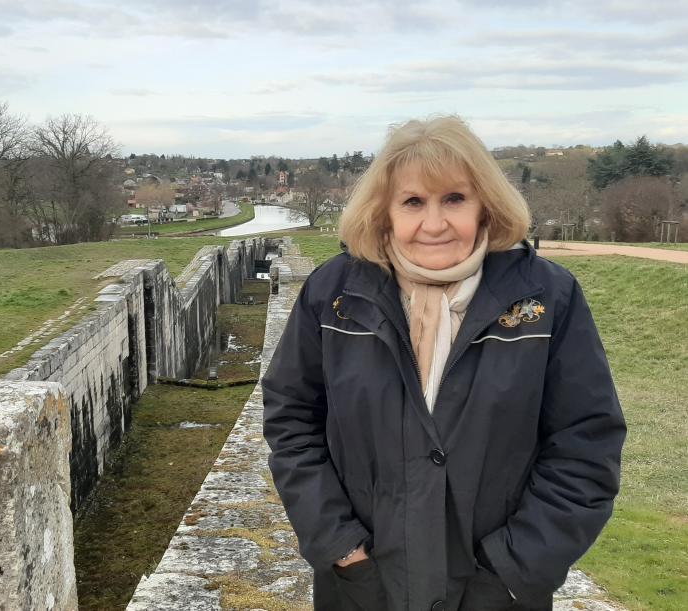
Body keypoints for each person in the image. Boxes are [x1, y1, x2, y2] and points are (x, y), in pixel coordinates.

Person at [261, 116, 626, 611]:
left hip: (497, 596)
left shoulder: (547, 298)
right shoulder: (334, 294)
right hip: (363, 591)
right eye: (413, 202)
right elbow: (292, 421)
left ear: (485, 206)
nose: (434, 224)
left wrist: (512, 570)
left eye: (454, 199)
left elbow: (586, 443)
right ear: (386, 212)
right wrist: (341, 548)